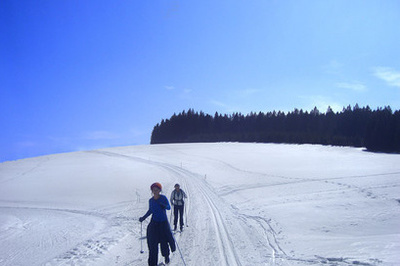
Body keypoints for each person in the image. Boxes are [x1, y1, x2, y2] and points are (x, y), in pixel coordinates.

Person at [139, 182, 176, 266]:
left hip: (163, 223)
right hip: (154, 224)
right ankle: (152, 263)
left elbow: (168, 207)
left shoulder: (163, 198)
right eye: (153, 190)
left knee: (164, 242)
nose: (155, 191)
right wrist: (143, 217)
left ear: (160, 190)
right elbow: (150, 210)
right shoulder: (151, 201)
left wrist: (164, 205)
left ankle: (166, 256)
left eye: (157, 190)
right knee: (152, 245)